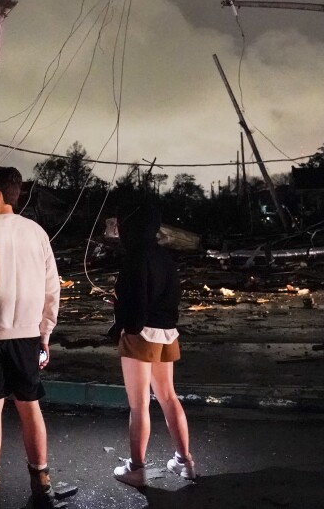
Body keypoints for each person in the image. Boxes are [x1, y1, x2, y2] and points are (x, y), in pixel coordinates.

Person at [0, 166, 70, 509]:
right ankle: (42, 485)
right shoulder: (36, 233)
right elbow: (53, 289)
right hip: (28, 336)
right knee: (30, 407)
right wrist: (45, 334)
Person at [110, 200, 197, 487]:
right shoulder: (166, 258)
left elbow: (135, 309)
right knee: (169, 397)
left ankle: (136, 468)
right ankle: (185, 462)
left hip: (141, 335)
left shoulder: (135, 258)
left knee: (139, 406)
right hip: (167, 332)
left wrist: (121, 319)